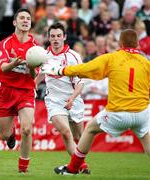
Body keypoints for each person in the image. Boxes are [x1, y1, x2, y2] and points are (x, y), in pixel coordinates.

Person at [41, 29, 150, 175]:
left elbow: (85, 69)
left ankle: (72, 168)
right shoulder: (145, 62)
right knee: (146, 138)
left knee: (90, 129)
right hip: (141, 113)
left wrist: (60, 71)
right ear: (137, 44)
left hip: (118, 112)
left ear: (120, 43)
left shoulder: (112, 58)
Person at [35, 22, 90, 174]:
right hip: (53, 100)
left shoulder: (74, 56)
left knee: (80, 137)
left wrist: (72, 99)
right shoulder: (43, 56)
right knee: (66, 132)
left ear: (64, 37)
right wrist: (33, 85)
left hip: (74, 100)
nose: (56, 39)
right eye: (52, 36)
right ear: (48, 38)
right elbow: (41, 73)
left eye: (59, 36)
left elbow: (80, 82)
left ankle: (76, 164)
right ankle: (82, 166)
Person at [0, 8, 38, 173]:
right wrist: (17, 63)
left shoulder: (35, 48)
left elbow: (34, 75)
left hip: (25, 91)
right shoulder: (6, 43)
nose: (26, 20)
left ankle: (23, 167)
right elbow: (4, 68)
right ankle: (11, 134)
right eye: (22, 18)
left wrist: (32, 67)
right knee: (3, 136)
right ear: (15, 22)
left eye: (28, 18)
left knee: (27, 129)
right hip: (6, 90)